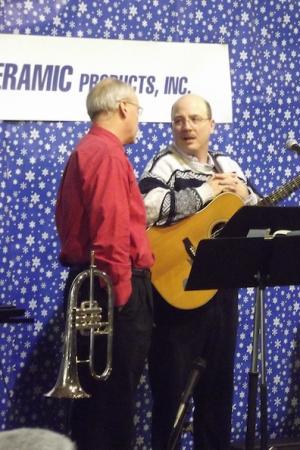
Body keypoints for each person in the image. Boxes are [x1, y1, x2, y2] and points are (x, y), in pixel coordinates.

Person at [139, 94, 258, 449]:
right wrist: (206, 191)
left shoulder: (229, 164)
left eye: (194, 119)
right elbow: (146, 208)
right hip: (178, 291)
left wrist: (246, 194)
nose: (186, 127)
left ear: (211, 125)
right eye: (178, 120)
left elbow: (256, 216)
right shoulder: (164, 163)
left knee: (218, 393)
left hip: (222, 290)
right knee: (171, 393)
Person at [55, 78, 154, 449]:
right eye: (138, 110)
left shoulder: (87, 149)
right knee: (112, 404)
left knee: (97, 401)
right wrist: (122, 295)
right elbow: (110, 229)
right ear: (124, 108)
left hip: (95, 283)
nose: (139, 118)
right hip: (111, 288)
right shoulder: (107, 153)